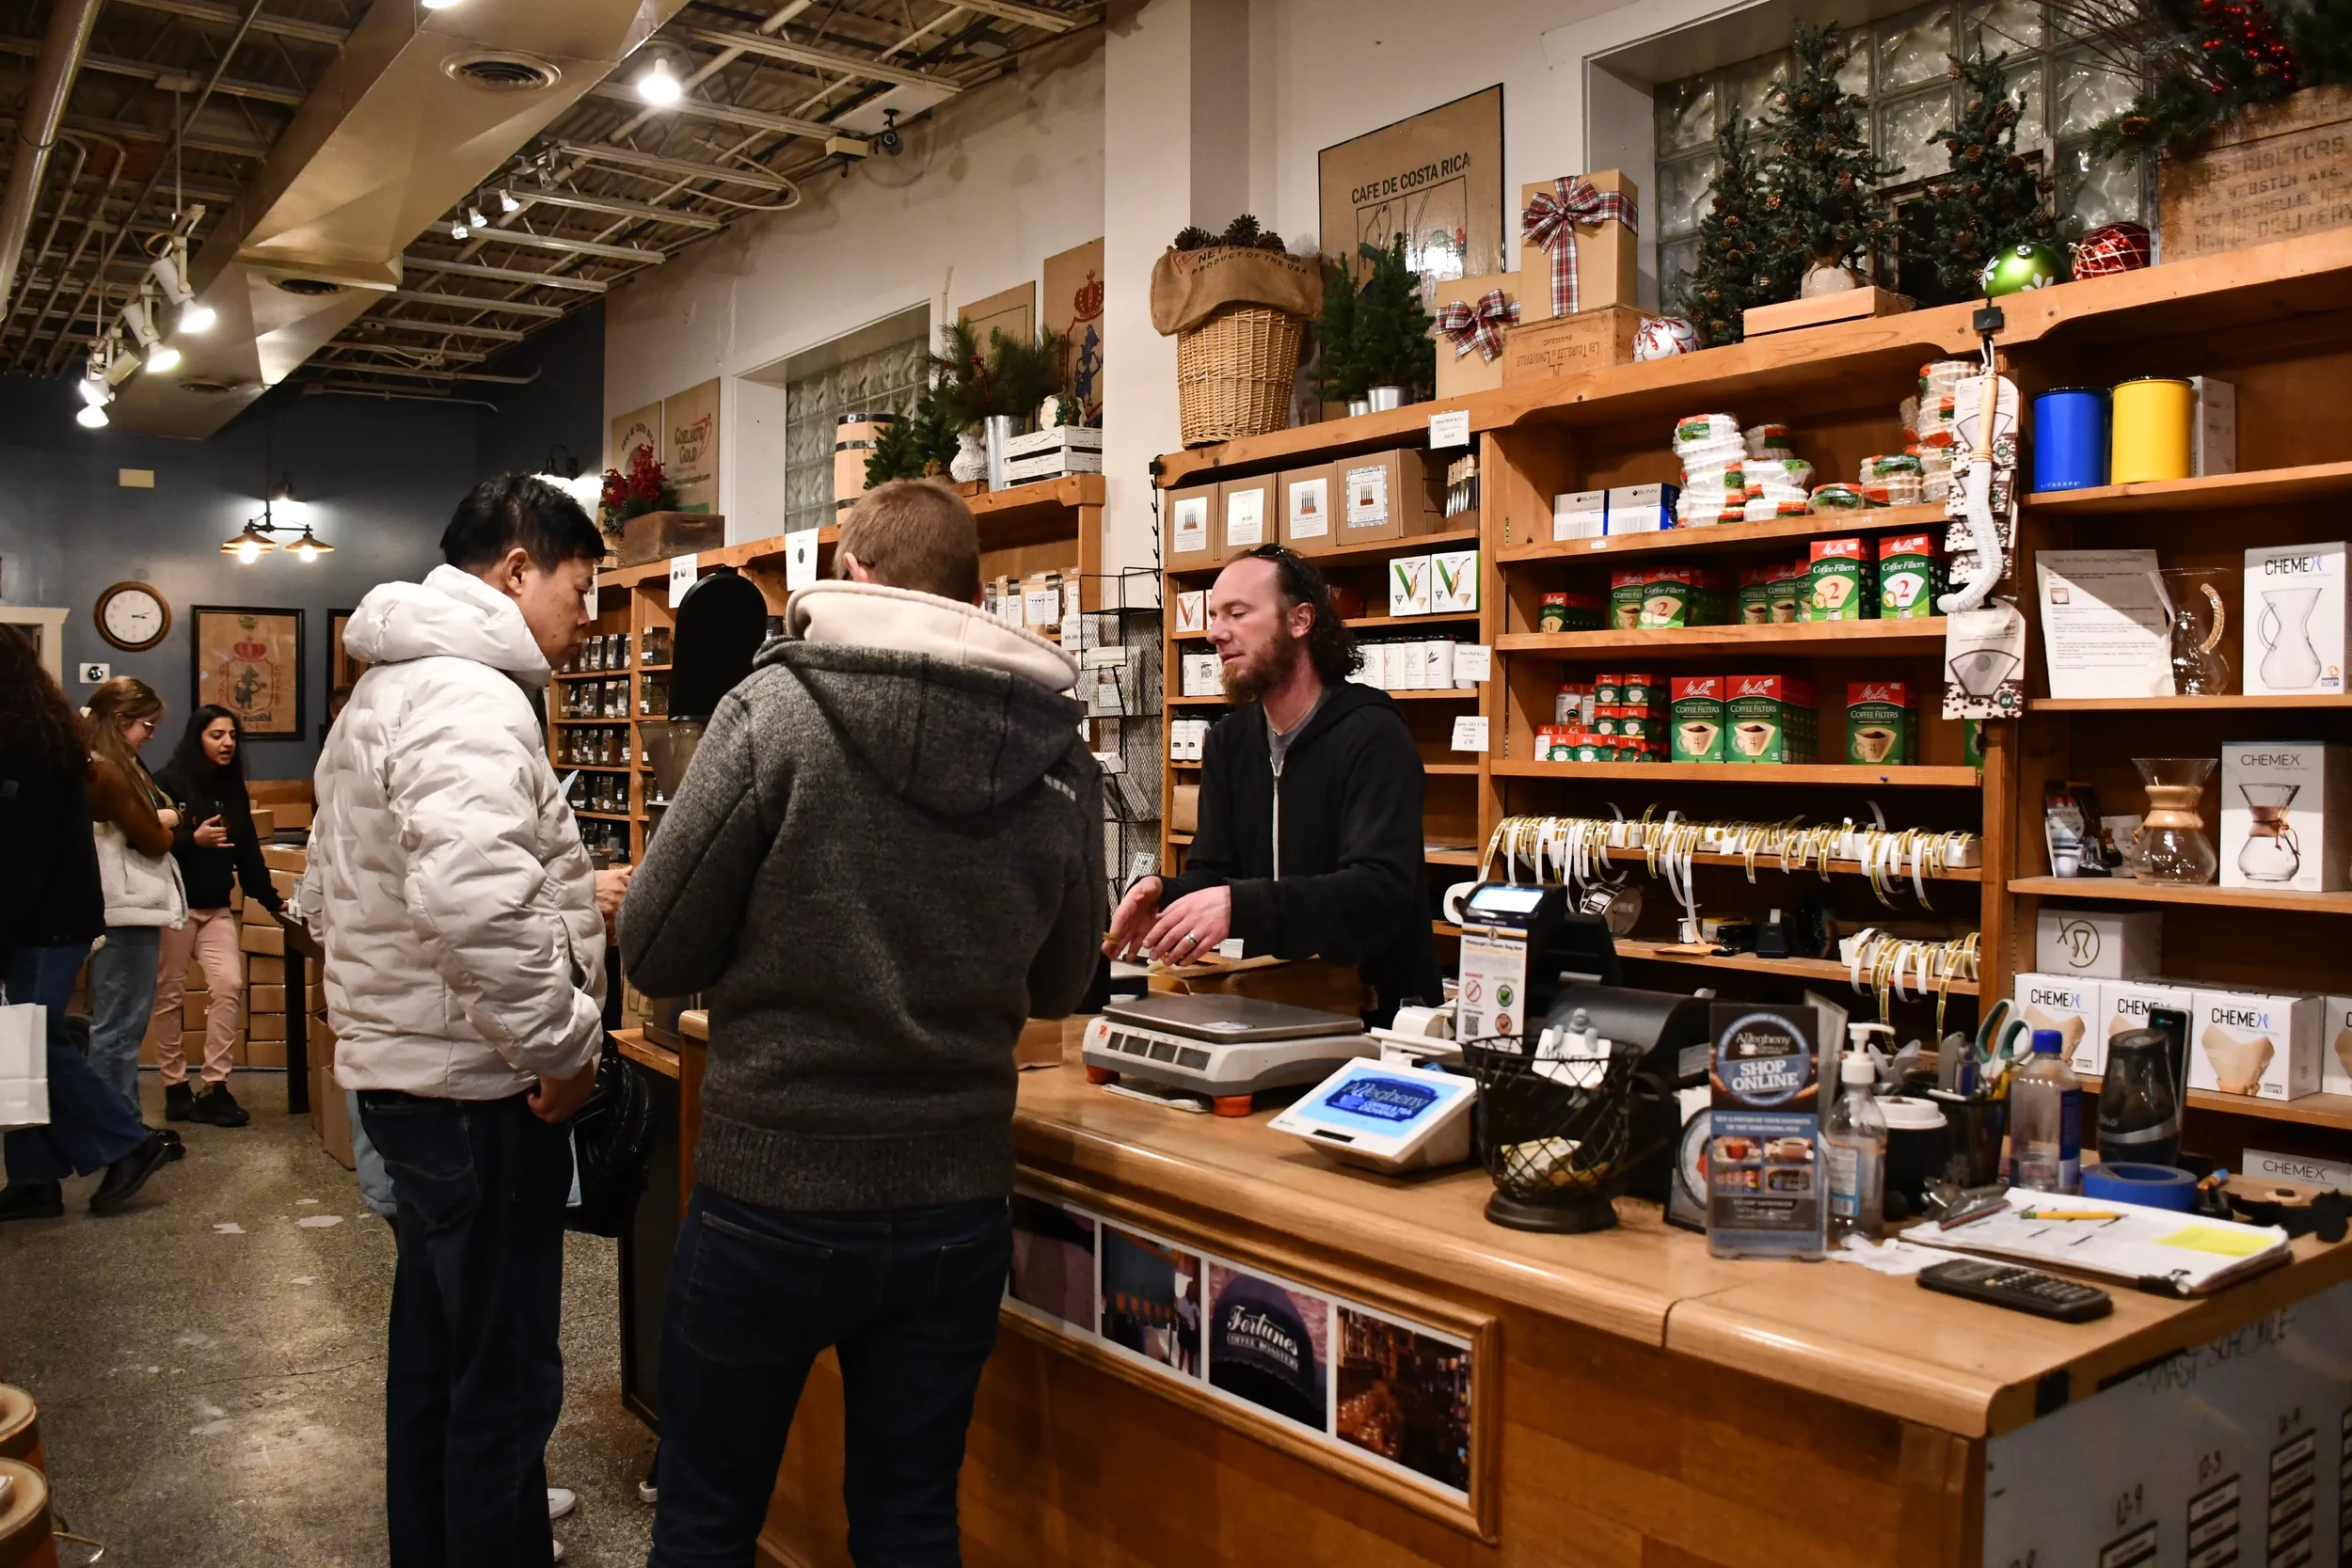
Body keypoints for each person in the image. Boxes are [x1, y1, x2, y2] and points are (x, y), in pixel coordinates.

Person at [620, 479, 1104, 1566]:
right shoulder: (1055, 753)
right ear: (974, 596)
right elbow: (1064, 980)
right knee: (910, 1522)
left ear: (850, 574)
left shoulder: (773, 714)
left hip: (774, 1187)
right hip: (955, 1199)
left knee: (705, 1519)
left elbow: (655, 948)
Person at [307, 474, 609, 1568]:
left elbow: (332, 887)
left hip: (419, 1072)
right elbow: (476, 903)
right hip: (475, 1087)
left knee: (437, 1364)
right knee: (502, 1383)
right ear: (517, 568)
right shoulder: (468, 696)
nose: (587, 616)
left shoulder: (390, 686)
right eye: (580, 587)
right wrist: (564, 1046)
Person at [1104, 543, 1439, 1022]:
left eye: (1237, 613)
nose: (1215, 633)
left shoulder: (1372, 733)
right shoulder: (1229, 742)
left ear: (1300, 621)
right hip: (1271, 1008)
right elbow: (1216, 872)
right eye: (1214, 616)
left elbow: (1379, 890)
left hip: (1376, 1018)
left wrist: (1242, 905)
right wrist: (1165, 893)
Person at [0, 628, 173, 1220]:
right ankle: (32, 1178)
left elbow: (21, 856)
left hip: (43, 920)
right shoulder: (40, 736)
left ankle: (129, 1142)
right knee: (19, 1044)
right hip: (48, 916)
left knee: (33, 1042)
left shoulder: (30, 747)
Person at [152, 705, 280, 1127]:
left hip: (216, 909)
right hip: (175, 907)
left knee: (228, 986)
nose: (227, 743)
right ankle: (174, 1085)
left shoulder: (232, 787)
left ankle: (215, 1086)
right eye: (216, 735)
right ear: (198, 738)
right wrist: (194, 839)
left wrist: (272, 900)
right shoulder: (167, 782)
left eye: (232, 735)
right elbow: (147, 844)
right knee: (169, 996)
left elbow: (248, 852)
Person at [83, 676, 190, 1115]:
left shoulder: (118, 764)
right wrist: (168, 819)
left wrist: (164, 817)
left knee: (122, 1026)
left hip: (127, 909)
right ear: (119, 719)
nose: (150, 735)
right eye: (146, 725)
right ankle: (116, 1134)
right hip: (124, 911)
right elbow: (155, 839)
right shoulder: (104, 768)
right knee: (118, 1028)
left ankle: (123, 1126)